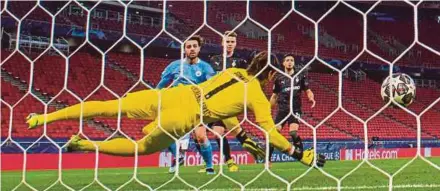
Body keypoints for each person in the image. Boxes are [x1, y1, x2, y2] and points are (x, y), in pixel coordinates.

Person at [26, 51, 326, 170]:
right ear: (271, 75)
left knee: (108, 106)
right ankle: (85, 144)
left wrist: (239, 132)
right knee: (142, 147)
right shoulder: (257, 96)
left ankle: (43, 117)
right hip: (187, 114)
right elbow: (271, 133)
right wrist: (300, 154)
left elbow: (227, 104)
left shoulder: (232, 71)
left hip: (175, 95)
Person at [156, 35, 215, 174]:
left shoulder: (206, 67)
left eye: (195, 46)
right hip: (176, 105)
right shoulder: (175, 66)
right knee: (166, 135)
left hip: (196, 106)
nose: (192, 49)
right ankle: (178, 156)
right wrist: (155, 97)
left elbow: (211, 87)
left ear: (199, 48)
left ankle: (209, 166)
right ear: (184, 50)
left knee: (200, 136)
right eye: (189, 46)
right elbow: (161, 85)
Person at [269, 54, 316, 165]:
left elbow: (308, 90)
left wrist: (311, 98)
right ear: (284, 63)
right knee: (274, 133)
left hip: (295, 110)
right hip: (282, 110)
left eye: (292, 60)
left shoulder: (300, 76)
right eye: (287, 60)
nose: (290, 62)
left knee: (293, 132)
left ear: (294, 63)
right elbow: (274, 96)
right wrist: (268, 108)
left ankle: (302, 155)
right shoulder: (279, 78)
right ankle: (268, 159)